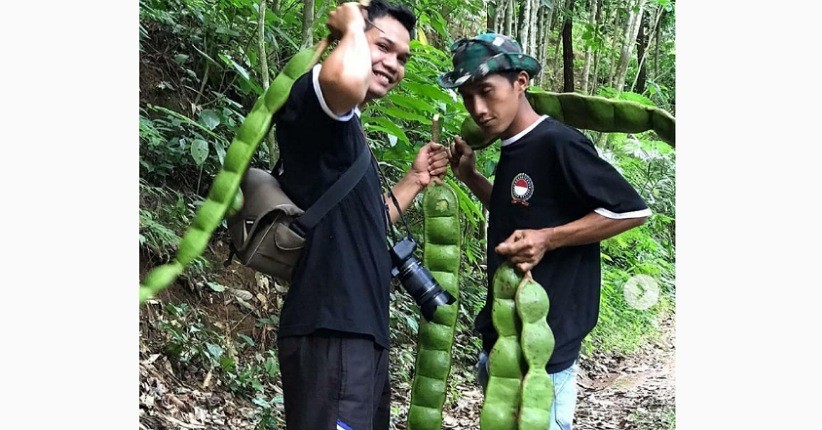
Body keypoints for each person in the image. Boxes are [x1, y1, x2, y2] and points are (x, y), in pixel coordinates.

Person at [438, 33, 652, 430]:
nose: (479, 109)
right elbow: (519, 212)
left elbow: (632, 211)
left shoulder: (557, 142)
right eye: (468, 97)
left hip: (545, 350)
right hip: (503, 344)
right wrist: (468, 177)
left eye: (487, 91)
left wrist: (548, 238)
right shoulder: (512, 147)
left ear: (521, 82)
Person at [271, 1, 449, 429]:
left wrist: (414, 180)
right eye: (382, 46)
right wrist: (350, 24)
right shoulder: (319, 99)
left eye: (402, 58)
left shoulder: (347, 131)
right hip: (332, 331)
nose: (392, 64)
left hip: (358, 334)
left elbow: (367, 223)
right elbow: (345, 80)